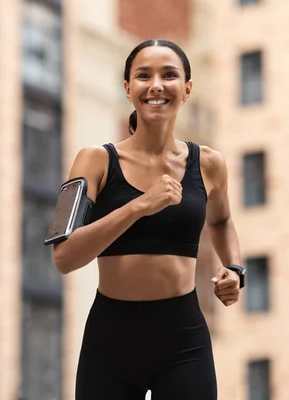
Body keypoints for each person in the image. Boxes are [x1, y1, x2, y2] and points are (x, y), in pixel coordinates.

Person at [53, 39, 244, 400]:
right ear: (128, 88)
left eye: (169, 75)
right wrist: (139, 206)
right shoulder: (93, 161)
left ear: (187, 89)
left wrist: (235, 269)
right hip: (111, 339)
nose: (156, 85)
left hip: (183, 337)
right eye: (143, 75)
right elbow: (64, 257)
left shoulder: (209, 164)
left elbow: (221, 222)